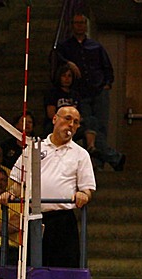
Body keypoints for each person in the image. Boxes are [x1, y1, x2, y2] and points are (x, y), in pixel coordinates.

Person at [1, 105, 95, 268]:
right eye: (67, 119)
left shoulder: (81, 154)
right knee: (32, 269)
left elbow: (87, 189)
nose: (71, 124)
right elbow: (17, 184)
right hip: (35, 218)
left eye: (76, 122)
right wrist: (9, 193)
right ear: (54, 119)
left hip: (63, 221)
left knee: (64, 271)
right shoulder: (33, 148)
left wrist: (83, 195)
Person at [57, 14, 124, 171]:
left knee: (100, 127)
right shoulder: (66, 46)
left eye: (82, 23)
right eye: (77, 23)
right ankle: (111, 159)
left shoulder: (96, 46)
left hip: (98, 90)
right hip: (80, 93)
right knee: (88, 125)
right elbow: (56, 56)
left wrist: (107, 84)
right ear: (72, 25)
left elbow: (106, 66)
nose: (79, 26)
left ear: (86, 25)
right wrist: (68, 63)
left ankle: (101, 162)